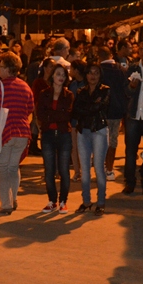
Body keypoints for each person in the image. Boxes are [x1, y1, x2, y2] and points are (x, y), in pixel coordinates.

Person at [0, 53, 34, 214]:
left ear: (7, 68)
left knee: (2, 168)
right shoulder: (25, 86)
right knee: (13, 167)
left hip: (6, 132)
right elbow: (30, 109)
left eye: (1, 66)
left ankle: (6, 204)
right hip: (23, 132)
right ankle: (13, 199)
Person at [71, 62, 110, 215]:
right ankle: (86, 201)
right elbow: (75, 111)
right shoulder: (81, 91)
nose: (93, 76)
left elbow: (99, 108)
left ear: (100, 75)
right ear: (86, 75)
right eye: (90, 73)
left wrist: (87, 108)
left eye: (96, 73)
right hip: (83, 131)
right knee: (85, 169)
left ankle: (101, 201)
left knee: (99, 167)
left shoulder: (105, 91)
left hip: (99, 130)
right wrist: (92, 106)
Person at [35, 62, 74, 214]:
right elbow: (40, 115)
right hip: (48, 135)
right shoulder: (44, 93)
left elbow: (67, 115)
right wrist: (55, 115)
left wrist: (51, 115)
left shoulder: (69, 95)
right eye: (58, 74)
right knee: (49, 170)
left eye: (63, 75)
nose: (60, 77)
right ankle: (52, 200)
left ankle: (63, 201)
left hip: (64, 135)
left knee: (64, 170)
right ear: (52, 76)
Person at [123, 40, 143, 195]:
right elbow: (126, 93)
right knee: (130, 151)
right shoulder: (133, 68)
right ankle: (129, 182)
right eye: (141, 49)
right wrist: (132, 86)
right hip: (134, 116)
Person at [98, 46, 128, 180]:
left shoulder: (97, 71)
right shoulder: (120, 70)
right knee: (113, 141)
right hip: (116, 111)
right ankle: (109, 169)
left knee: (100, 140)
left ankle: (101, 167)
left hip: (100, 111)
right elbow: (125, 91)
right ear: (111, 55)